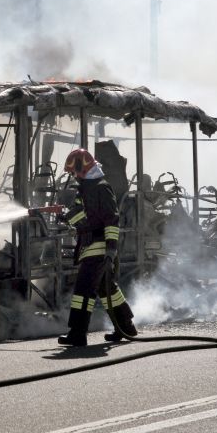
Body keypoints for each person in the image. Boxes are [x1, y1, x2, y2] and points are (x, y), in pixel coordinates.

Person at [57, 148, 139, 346]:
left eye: (74, 172)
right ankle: (126, 327)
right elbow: (82, 217)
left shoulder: (102, 187)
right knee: (106, 289)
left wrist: (111, 247)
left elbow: (111, 220)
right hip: (90, 245)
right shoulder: (84, 189)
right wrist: (67, 217)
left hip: (99, 247)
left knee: (84, 290)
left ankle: (78, 334)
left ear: (82, 168)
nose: (73, 176)